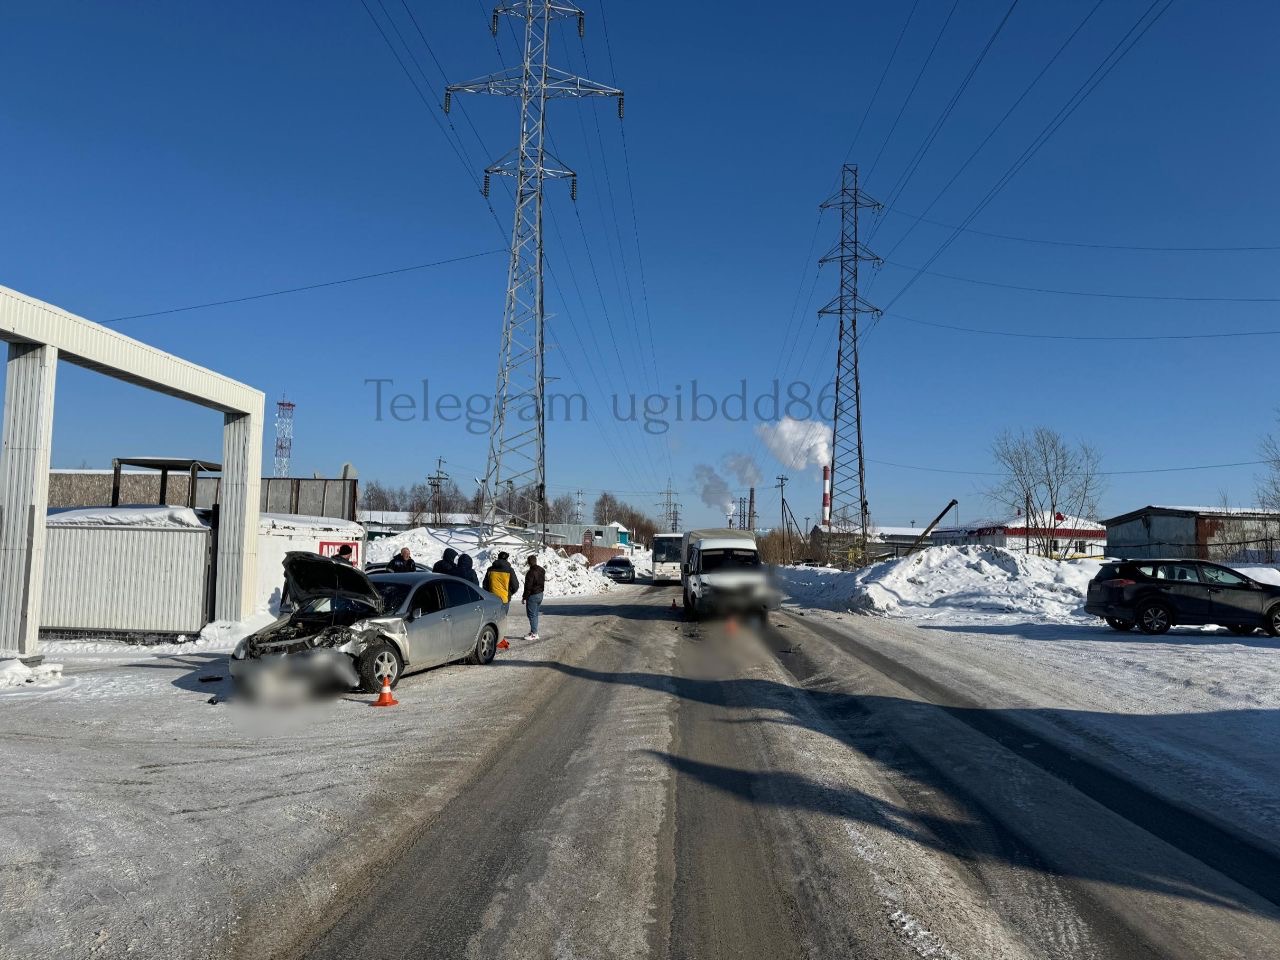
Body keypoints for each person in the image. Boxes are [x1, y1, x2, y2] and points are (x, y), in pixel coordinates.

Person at [521, 553, 545, 640]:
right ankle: (533, 632)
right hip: (540, 594)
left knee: (531, 615)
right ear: (535, 561)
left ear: (528, 563)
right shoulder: (542, 570)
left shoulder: (530, 573)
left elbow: (528, 587)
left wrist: (524, 597)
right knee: (535, 614)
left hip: (533, 596)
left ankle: (534, 634)